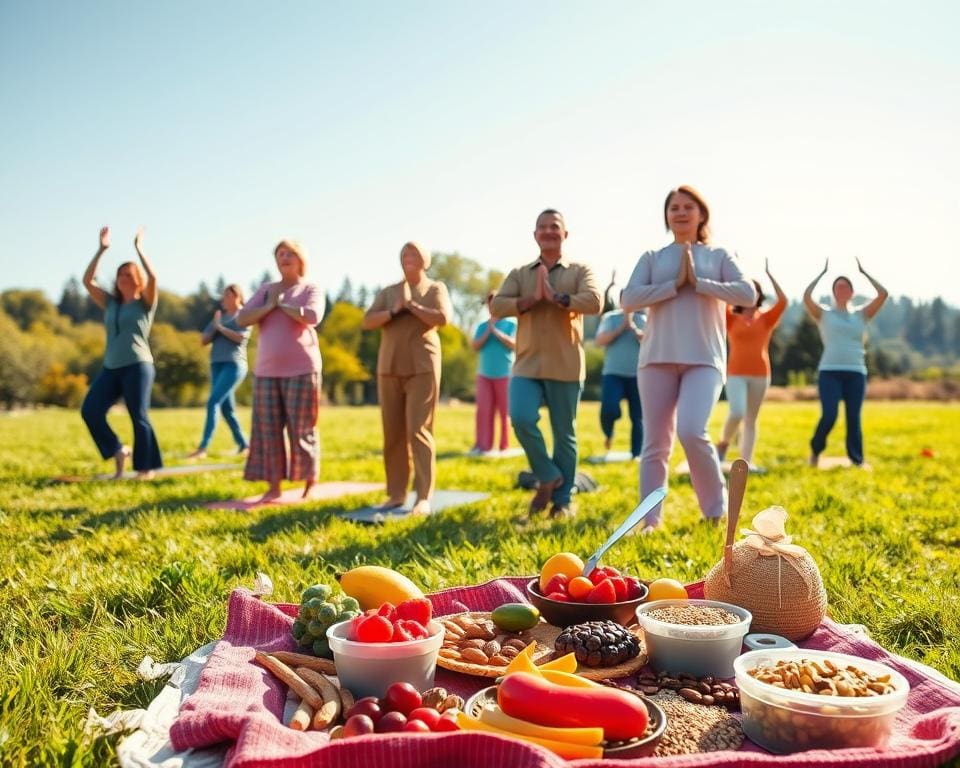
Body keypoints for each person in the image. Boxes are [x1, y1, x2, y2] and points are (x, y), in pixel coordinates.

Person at [623, 186, 755, 531]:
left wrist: (699, 282)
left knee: (692, 430)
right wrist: (672, 285)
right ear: (667, 216)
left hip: (704, 359)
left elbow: (747, 293)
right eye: (674, 208)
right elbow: (628, 298)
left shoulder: (720, 255)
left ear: (701, 214)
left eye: (688, 207)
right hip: (656, 358)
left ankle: (715, 513)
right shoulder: (652, 257)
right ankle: (649, 520)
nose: (680, 213)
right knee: (655, 442)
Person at [491, 209, 602, 519]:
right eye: (543, 227)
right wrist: (526, 301)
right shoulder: (520, 274)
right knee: (521, 417)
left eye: (555, 227)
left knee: (564, 433)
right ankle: (548, 474)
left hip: (565, 364)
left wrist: (557, 298)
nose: (549, 231)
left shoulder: (579, 271)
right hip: (526, 364)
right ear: (535, 234)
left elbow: (594, 301)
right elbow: (498, 305)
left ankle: (563, 501)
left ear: (565, 234)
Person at [362, 242, 451, 515]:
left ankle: (423, 495)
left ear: (425, 260)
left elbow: (442, 318)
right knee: (393, 434)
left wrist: (411, 306)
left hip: (422, 367)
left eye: (413, 254)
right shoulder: (389, 292)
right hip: (389, 367)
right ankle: (396, 493)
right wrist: (393, 311)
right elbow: (368, 321)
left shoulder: (435, 289)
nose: (408, 258)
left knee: (418, 431)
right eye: (404, 254)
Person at [236, 240, 323, 502]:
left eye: (289, 254)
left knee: (302, 429)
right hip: (266, 372)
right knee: (268, 431)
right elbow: (241, 318)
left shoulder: (310, 288)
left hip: (301, 369)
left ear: (300, 259)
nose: (284, 258)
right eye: (279, 254)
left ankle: (310, 482)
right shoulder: (266, 291)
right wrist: (268, 306)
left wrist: (283, 306)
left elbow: (313, 316)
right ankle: (274, 487)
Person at [80, 226, 163, 478]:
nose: (123, 278)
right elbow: (87, 281)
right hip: (111, 367)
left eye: (128, 274)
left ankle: (145, 468)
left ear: (137, 278)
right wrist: (101, 250)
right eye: (120, 275)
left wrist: (139, 249)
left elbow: (154, 279)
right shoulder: (110, 303)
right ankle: (117, 449)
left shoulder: (144, 303)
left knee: (139, 416)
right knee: (90, 410)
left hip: (138, 365)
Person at [803, 258, 888, 467]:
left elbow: (883, 294)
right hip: (829, 372)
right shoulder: (823, 314)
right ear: (833, 292)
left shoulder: (862, 314)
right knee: (829, 415)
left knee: (853, 419)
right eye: (837, 287)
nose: (841, 290)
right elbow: (806, 296)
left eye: (845, 287)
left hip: (856, 372)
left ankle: (857, 460)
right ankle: (815, 450)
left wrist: (864, 272)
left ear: (852, 292)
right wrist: (822, 274)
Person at [716, 259, 787, 469]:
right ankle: (723, 443)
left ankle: (745, 463)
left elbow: (783, 301)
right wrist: (734, 274)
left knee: (750, 419)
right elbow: (722, 297)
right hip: (736, 373)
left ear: (758, 295)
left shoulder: (765, 318)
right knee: (737, 411)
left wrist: (769, 273)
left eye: (753, 290)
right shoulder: (731, 317)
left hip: (761, 373)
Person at [188, 284, 251, 459]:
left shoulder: (244, 315)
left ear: (237, 297)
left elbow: (240, 338)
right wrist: (215, 326)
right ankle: (244, 445)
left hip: (234, 365)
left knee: (213, 402)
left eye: (228, 296)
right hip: (216, 364)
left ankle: (203, 448)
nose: (224, 300)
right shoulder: (219, 317)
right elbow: (203, 340)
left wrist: (220, 328)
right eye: (223, 297)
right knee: (227, 409)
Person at [595, 295, 646, 459]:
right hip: (613, 374)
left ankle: (636, 454)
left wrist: (633, 329)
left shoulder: (643, 319)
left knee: (638, 417)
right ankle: (608, 434)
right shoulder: (610, 318)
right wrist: (621, 328)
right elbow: (600, 340)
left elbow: (652, 342)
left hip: (637, 375)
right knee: (609, 409)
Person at [469, 293, 517, 456]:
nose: (491, 307)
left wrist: (496, 332)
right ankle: (483, 445)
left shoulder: (511, 323)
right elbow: (475, 346)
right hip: (484, 374)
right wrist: (488, 331)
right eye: (489, 304)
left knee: (505, 412)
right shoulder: (483, 326)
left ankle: (504, 446)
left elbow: (514, 344)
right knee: (484, 411)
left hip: (505, 374)